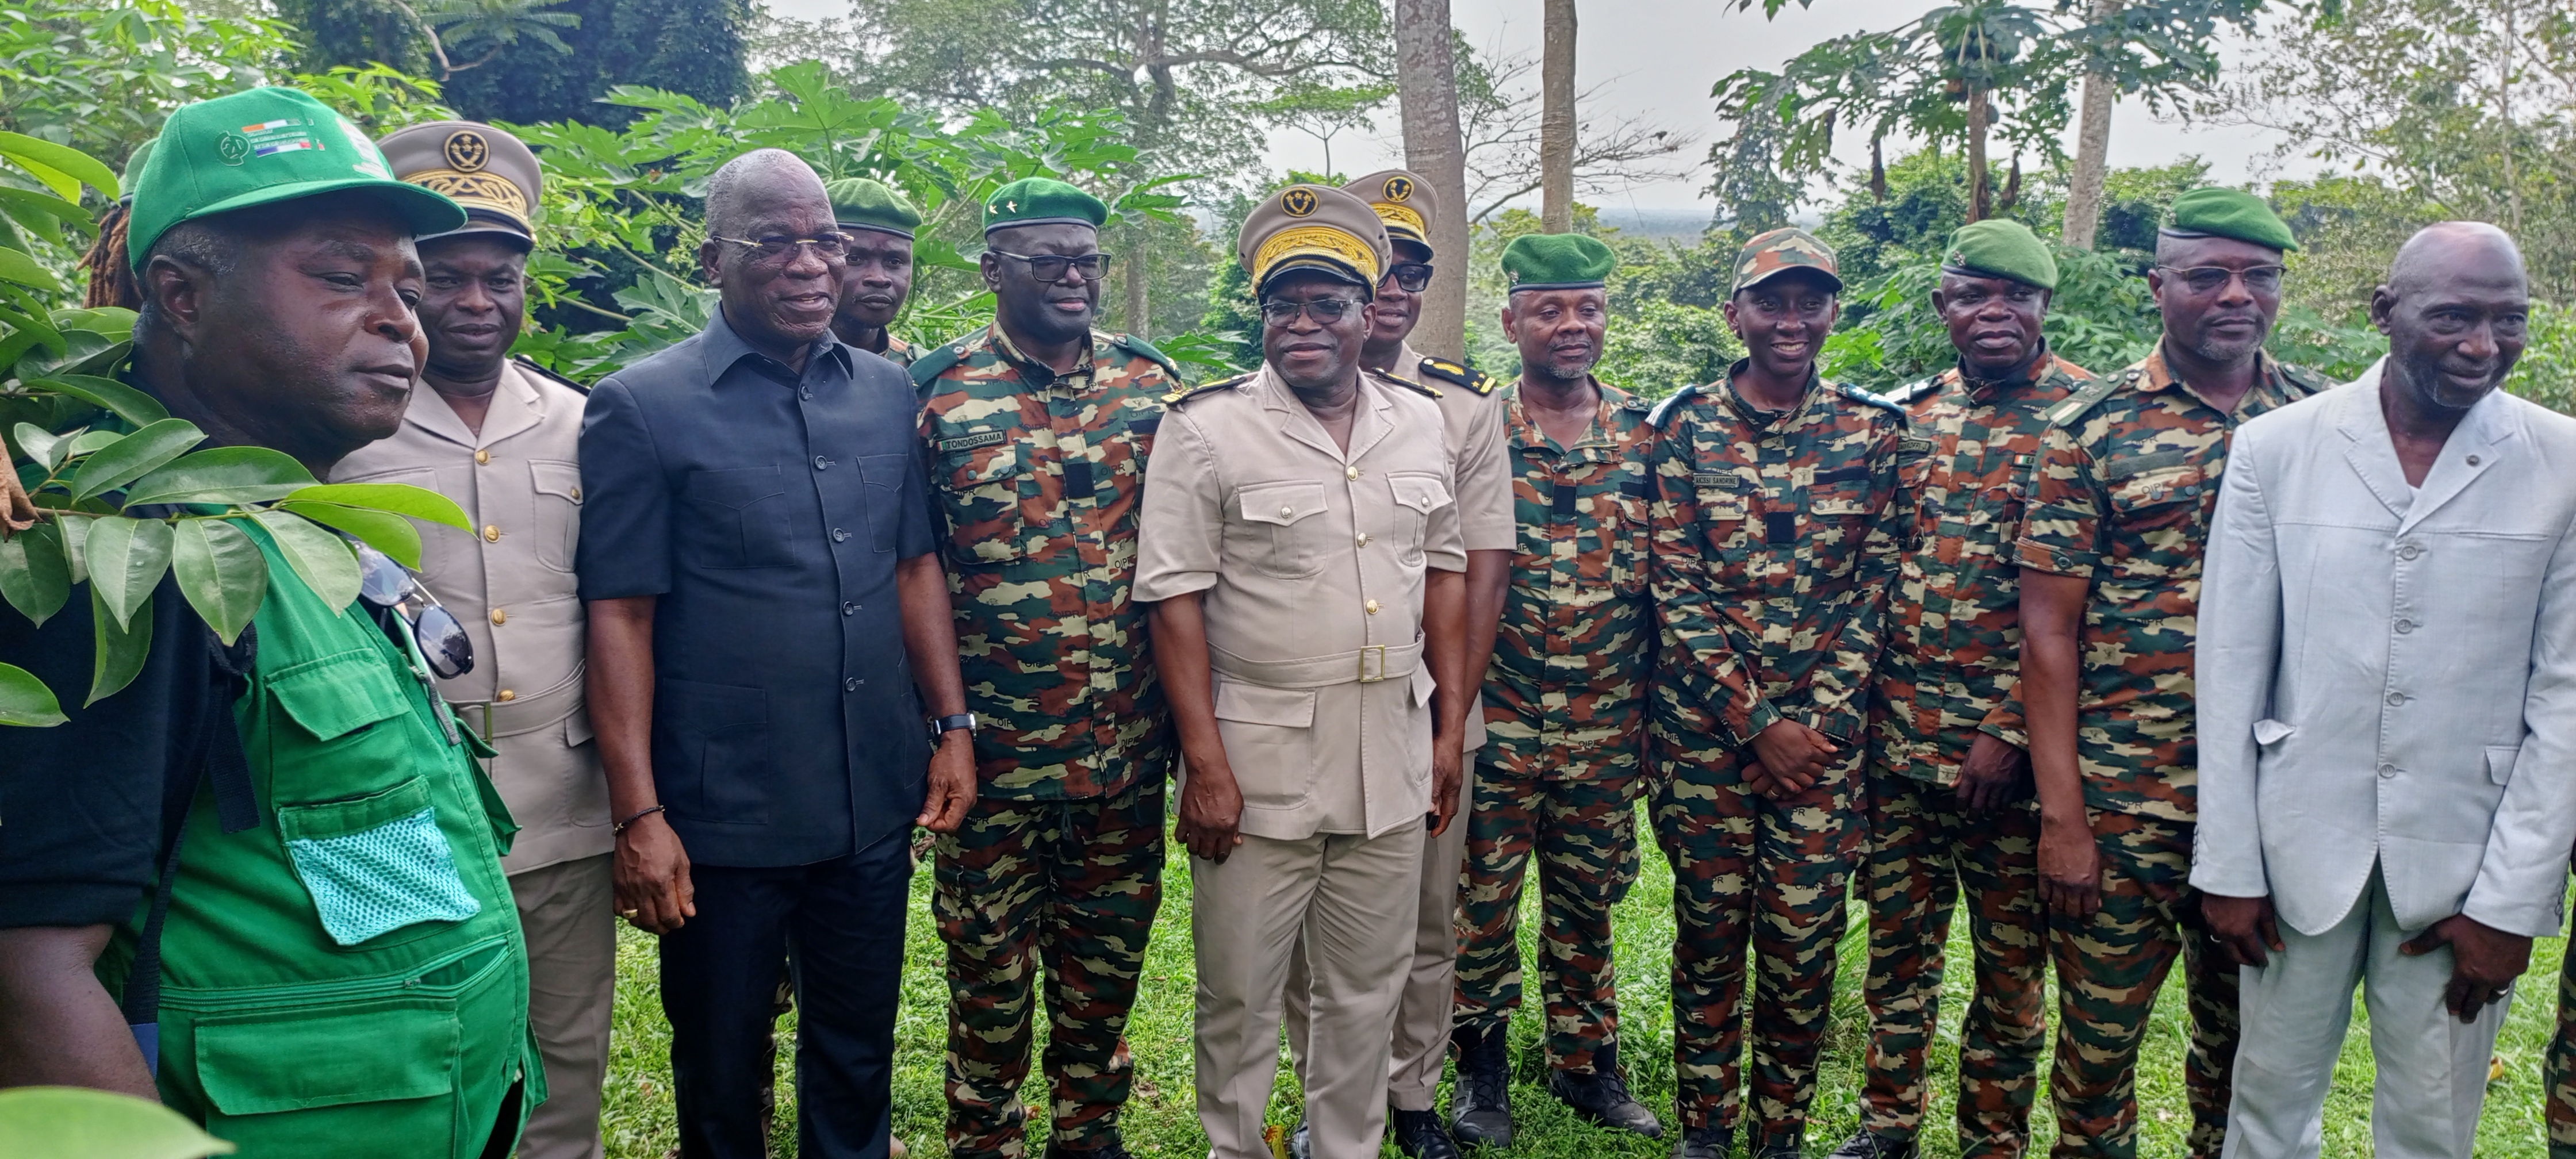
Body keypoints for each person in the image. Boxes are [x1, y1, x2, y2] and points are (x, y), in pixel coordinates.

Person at [0, 86, 540, 1156]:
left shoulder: (285, 531)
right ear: (181, 294)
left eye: (409, 289)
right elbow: (26, 970)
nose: (401, 320)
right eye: (343, 277)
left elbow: (326, 847)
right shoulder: (117, 551)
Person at [575, 147, 976, 1159]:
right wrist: (640, 812)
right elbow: (620, 616)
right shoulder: (642, 406)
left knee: (856, 1053)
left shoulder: (886, 392)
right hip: (724, 814)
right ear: (713, 260)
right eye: (777, 243)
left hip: (869, 798)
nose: (811, 265)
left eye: (826, 241)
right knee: (720, 1062)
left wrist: (953, 726)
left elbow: (912, 567)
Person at [2194, 221, 2576, 1159]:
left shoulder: (2562, 460)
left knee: (2432, 1126)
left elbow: (2567, 699)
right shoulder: (2278, 448)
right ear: (2385, 313)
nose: (2482, 346)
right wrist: (2231, 866)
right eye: (2452, 316)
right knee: (2268, 1112)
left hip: (2464, 861)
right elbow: (2232, 664)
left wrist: (2511, 904)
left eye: (2507, 321)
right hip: (2295, 855)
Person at [1135, 183, 1474, 1159]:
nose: (1303, 323)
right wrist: (1204, 763)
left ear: (1371, 314)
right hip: (1261, 754)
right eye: (1283, 303)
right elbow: (1174, 602)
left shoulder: (1421, 423)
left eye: (1329, 302)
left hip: (1392, 742)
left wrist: (1447, 732)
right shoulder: (1205, 429)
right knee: (1240, 992)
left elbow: (1444, 572)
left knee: (1368, 987)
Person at [2015, 187, 2330, 1159]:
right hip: (2127, 803)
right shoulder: (2092, 428)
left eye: (2258, 276)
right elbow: (2047, 634)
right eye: (2207, 276)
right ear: (2159, 287)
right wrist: (2065, 818)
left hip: (2275, 801)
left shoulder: (2326, 422)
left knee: (2250, 1056)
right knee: (2097, 1056)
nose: (2236, 295)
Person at [329, 120, 613, 1159]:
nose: (477, 303)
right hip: (402, 811)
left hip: (560, 806)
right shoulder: (340, 421)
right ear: (407, 283)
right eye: (445, 278)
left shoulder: (580, 420)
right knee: (411, 1051)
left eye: (501, 277)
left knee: (566, 1056)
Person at [908, 176, 1183, 1159]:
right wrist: (942, 728)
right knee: (986, 963)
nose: (1074, 277)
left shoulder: (1153, 388)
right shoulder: (936, 394)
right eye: (1047, 260)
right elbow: (915, 568)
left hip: (1123, 745)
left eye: (1087, 260)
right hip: (991, 755)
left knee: (1108, 953)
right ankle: (984, 1131)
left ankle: (1088, 1124)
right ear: (992, 269)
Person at [1646, 227, 1906, 1159]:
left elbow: (1879, 585)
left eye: (1810, 301)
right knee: (1710, 935)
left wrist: (1817, 725)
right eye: (1772, 300)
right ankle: (1707, 1128)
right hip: (1707, 742)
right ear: (1735, 314)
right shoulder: (1680, 429)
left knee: (1802, 950)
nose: (1791, 319)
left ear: (1833, 311)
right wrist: (1756, 724)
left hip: (1823, 752)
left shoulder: (1874, 432)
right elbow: (1673, 586)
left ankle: (1778, 1133)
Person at [1837, 220, 2089, 1159]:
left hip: (2010, 762)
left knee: (2009, 970)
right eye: (1975, 295)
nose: (1996, 313)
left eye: (2016, 296)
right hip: (1898, 749)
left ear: (2042, 308)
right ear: (1944, 307)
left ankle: (1993, 1138)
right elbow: (1877, 576)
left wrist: (2012, 729)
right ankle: (1888, 1126)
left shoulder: (2085, 421)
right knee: (1898, 954)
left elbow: (2085, 612)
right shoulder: (1909, 419)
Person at [1273, 168, 1511, 1159]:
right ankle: (1334, 1094)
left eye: (1418, 268)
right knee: (1294, 929)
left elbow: (1481, 568)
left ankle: (1412, 1096)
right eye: (1390, 265)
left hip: (1420, 708)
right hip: (1296, 715)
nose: (1405, 286)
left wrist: (1449, 718)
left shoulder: (1456, 405)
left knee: (1418, 919)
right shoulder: (1264, 396)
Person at [1448, 231, 1662, 1144]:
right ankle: (1481, 1073)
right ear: (1511, 321)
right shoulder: (1471, 431)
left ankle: (1587, 1068)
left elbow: (1668, 592)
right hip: (1495, 720)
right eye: (1549, 310)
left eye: (1588, 308)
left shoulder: (1649, 434)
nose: (1571, 326)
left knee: (1587, 905)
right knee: (1480, 903)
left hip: (1606, 724)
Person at [825, 177, 923, 367]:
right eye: (854, 259)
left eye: (895, 262)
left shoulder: (925, 376)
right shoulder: (769, 369)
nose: (879, 279)